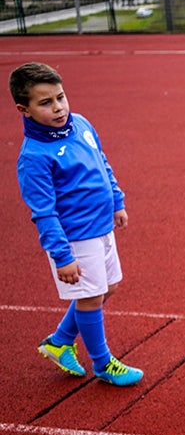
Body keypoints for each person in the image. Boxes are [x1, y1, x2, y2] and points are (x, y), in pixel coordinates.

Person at [11, 62, 143, 386]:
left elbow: (102, 163)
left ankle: (59, 341)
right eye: (45, 103)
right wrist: (62, 256)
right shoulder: (34, 157)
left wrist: (117, 200)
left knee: (107, 288)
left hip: (102, 227)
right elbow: (43, 212)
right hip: (75, 237)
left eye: (60, 97)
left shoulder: (81, 123)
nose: (58, 108)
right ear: (23, 109)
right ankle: (103, 364)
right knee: (91, 297)